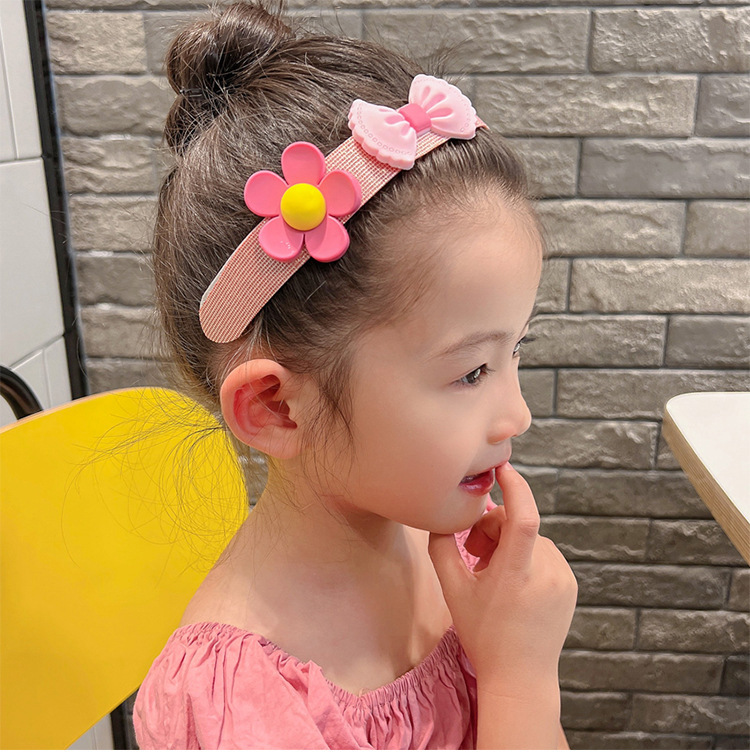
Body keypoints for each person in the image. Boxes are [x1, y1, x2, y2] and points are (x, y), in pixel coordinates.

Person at [133, 0, 578, 748]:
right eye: (473, 371)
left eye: (516, 351)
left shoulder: (433, 532)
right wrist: (519, 678)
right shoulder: (236, 712)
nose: (517, 415)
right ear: (277, 406)